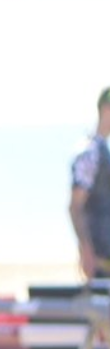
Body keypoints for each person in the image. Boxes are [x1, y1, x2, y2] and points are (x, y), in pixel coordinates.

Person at [69, 87, 110, 281]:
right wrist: (86, 250)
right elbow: (75, 206)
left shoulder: (102, 150)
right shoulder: (90, 152)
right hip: (101, 260)